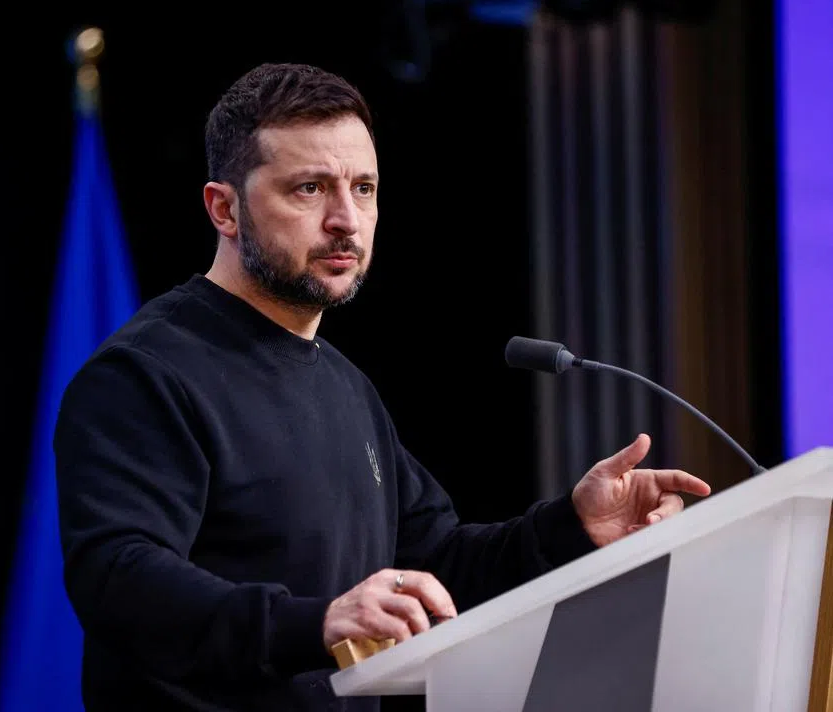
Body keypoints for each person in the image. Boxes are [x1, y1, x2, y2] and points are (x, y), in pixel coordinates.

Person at [53, 62, 711, 711]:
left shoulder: (346, 387)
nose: (346, 219)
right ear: (224, 208)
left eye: (363, 188)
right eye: (309, 189)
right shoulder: (145, 376)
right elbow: (119, 581)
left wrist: (573, 525)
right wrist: (316, 624)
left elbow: (440, 565)